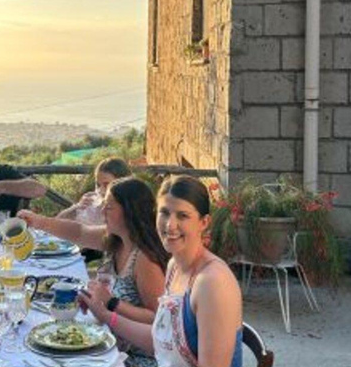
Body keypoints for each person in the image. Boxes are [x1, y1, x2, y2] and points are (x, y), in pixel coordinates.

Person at [79, 175, 243, 367]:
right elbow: (161, 339)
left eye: (183, 216)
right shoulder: (174, 265)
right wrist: (106, 314)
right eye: (164, 213)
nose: (170, 225)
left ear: (204, 222)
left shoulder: (212, 282)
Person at [18, 177, 168, 367]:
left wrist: (111, 303)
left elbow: (159, 318)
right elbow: (80, 232)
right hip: (111, 341)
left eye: (109, 206)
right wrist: (40, 222)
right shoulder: (117, 241)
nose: (102, 210)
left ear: (129, 212)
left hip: (136, 358)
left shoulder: (144, 259)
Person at [56, 157, 132, 224]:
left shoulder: (131, 209)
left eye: (106, 185)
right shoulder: (93, 200)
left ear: (123, 184)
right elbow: (57, 222)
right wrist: (77, 207)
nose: (100, 190)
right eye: (98, 185)